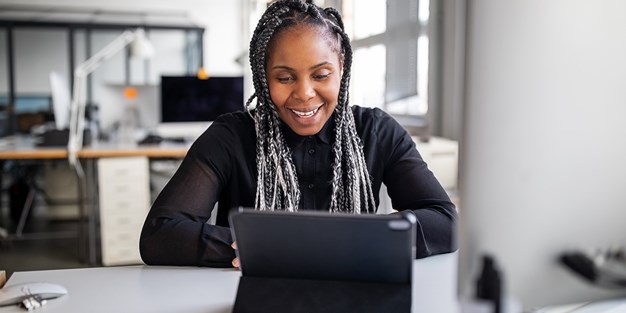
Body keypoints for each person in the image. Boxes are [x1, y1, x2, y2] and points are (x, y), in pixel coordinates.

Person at [140, 0, 456, 268]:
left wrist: (355, 241)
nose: (304, 94)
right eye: (285, 77)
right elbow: (159, 235)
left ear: (342, 68)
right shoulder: (230, 137)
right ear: (264, 78)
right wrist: (253, 245)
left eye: (320, 74)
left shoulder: (377, 131)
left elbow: (445, 221)